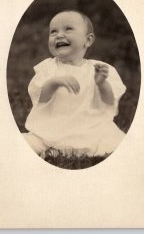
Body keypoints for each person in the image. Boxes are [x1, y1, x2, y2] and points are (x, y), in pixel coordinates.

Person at [24, 10, 126, 158]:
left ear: (88, 40)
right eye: (53, 32)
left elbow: (109, 102)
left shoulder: (98, 69)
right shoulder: (48, 68)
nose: (59, 35)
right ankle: (56, 149)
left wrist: (102, 83)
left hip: (89, 128)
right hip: (52, 129)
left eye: (68, 29)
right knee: (26, 143)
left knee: (114, 143)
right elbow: (41, 99)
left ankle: (59, 151)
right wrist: (54, 82)